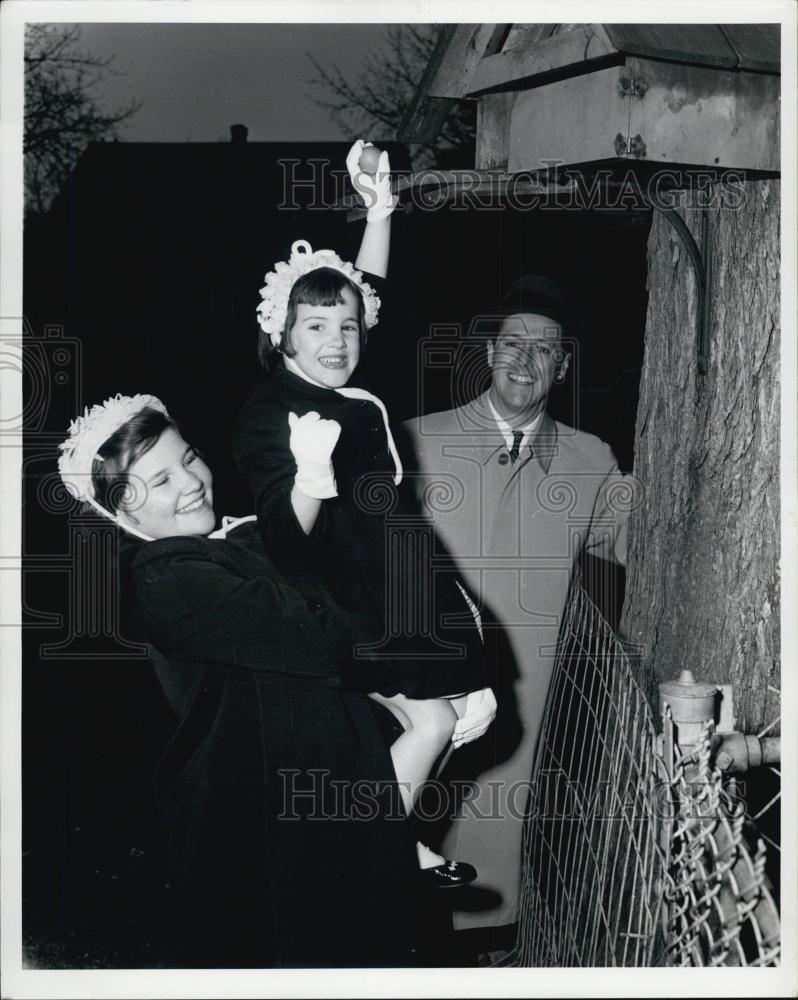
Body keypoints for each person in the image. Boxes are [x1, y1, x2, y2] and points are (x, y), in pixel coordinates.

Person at [57, 393, 423, 968]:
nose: (192, 481)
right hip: (252, 817)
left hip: (310, 788)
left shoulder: (234, 542)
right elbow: (324, 634)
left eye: (189, 458)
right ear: (120, 511)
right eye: (160, 479)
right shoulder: (165, 578)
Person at [233, 143, 497, 884]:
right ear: (281, 332)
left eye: (347, 327)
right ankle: (366, 848)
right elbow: (286, 538)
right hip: (335, 599)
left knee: (446, 720)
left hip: (391, 582)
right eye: (315, 328)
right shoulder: (271, 412)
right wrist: (311, 476)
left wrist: (381, 209)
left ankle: (381, 839)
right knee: (438, 719)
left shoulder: (345, 383)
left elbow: (366, 286)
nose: (337, 342)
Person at [402, 275, 632, 951]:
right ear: (489, 353)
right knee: (396, 858)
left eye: (545, 349)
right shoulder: (414, 443)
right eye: (512, 343)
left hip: (522, 706)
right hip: (419, 698)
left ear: (562, 366)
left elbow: (643, 544)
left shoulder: (591, 462)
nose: (525, 361)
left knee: (493, 874)